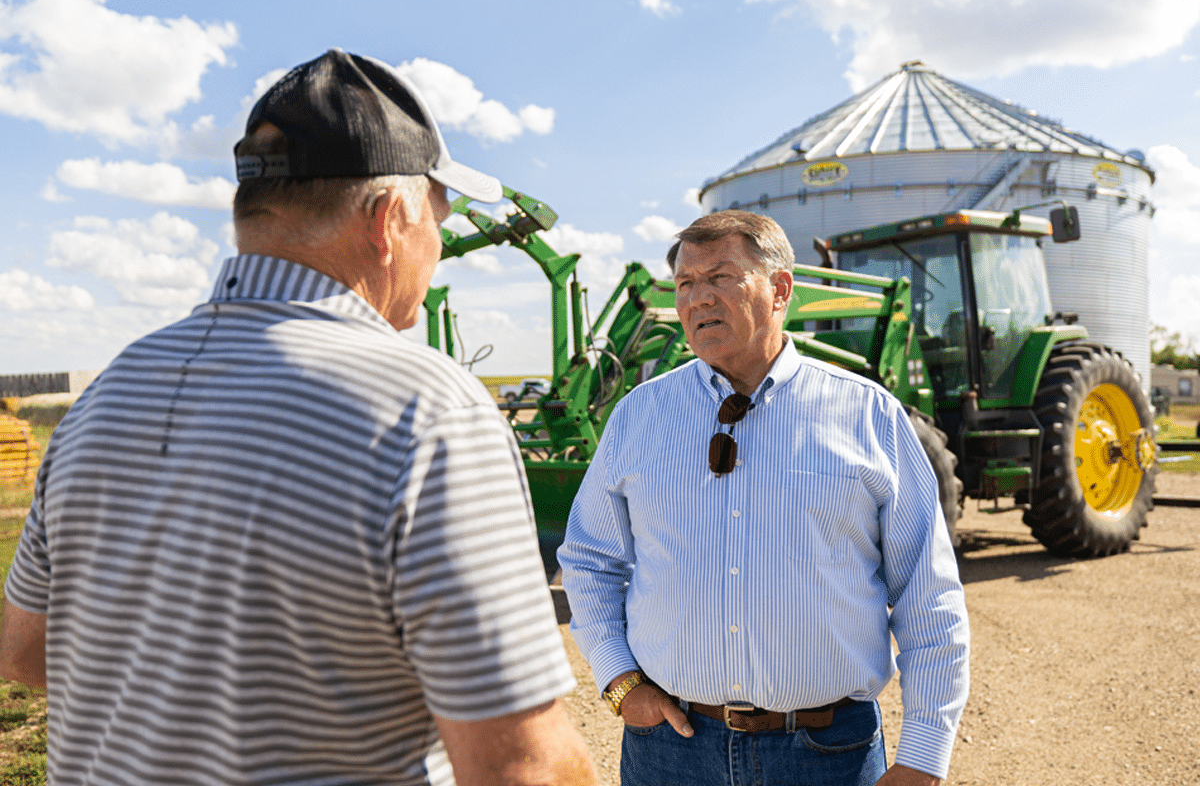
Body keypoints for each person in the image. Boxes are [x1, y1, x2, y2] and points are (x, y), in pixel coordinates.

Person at [0, 49, 597, 786]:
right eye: (437, 221)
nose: (438, 250)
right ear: (387, 221)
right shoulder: (426, 410)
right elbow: (519, 765)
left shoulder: (106, 396)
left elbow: (25, 652)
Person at [558, 210, 970, 786]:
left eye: (720, 278)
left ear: (780, 289)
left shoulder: (867, 415)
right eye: (685, 283)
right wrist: (622, 682)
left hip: (828, 755)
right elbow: (588, 560)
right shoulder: (639, 417)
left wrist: (924, 758)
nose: (697, 299)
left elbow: (928, 595)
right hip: (671, 754)